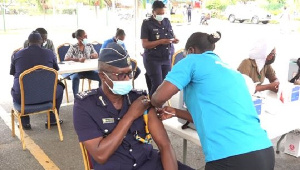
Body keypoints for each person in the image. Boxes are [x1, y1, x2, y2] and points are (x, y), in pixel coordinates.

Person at [151, 32, 275, 170]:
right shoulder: (233, 72)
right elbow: (211, 114)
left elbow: (158, 98)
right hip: (265, 151)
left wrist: (149, 104)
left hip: (231, 158)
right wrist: (175, 112)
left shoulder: (192, 60)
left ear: (191, 50)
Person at [73, 43, 193, 170]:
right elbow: (101, 155)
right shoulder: (85, 106)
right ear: (102, 76)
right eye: (120, 75)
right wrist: (130, 116)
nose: (126, 79)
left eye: (129, 73)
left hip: (150, 163)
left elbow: (165, 145)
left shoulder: (138, 99)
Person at [10, 31, 64, 130]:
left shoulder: (16, 54)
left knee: (15, 88)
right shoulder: (50, 53)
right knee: (60, 87)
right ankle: (52, 119)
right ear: (42, 42)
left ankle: (25, 123)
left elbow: (13, 73)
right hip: (47, 95)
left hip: (23, 97)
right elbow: (55, 70)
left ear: (28, 42)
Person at [141, 0, 179, 97]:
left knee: (165, 85)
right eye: (159, 13)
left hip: (166, 58)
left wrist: (174, 39)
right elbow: (145, 44)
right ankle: (152, 107)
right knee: (157, 85)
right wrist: (160, 42)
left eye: (163, 13)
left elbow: (171, 35)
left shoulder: (166, 21)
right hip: (153, 59)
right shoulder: (147, 24)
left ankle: (159, 106)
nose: (161, 15)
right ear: (153, 12)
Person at [64, 29, 101, 97]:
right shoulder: (74, 47)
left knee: (101, 77)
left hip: (87, 71)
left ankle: (100, 96)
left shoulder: (89, 45)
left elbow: (96, 55)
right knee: (75, 78)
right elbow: (66, 58)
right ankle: (76, 99)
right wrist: (78, 59)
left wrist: (91, 55)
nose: (86, 38)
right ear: (79, 38)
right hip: (76, 71)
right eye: (85, 36)